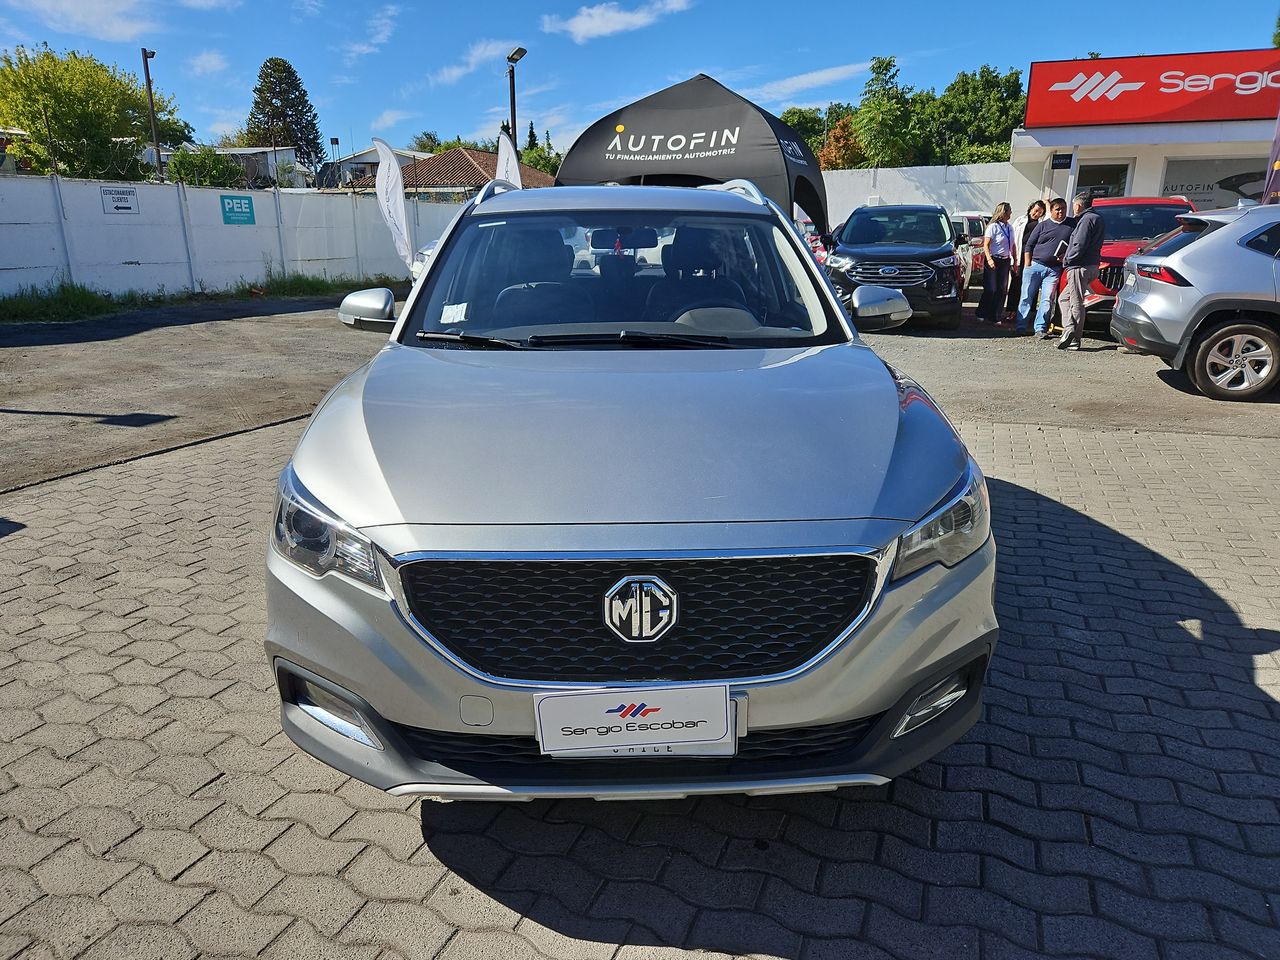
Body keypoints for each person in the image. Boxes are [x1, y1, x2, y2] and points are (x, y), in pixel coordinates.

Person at [1016, 197, 1074, 337]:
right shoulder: (1042, 225)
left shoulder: (1072, 224)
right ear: (1051, 210)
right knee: (1026, 297)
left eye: (1063, 209)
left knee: (1047, 299)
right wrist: (1028, 264)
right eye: (1057, 209)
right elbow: (1029, 245)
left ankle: (1040, 328)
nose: (1061, 212)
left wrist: (1066, 255)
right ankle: (1021, 326)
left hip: (1054, 269)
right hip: (1035, 265)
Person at [1056, 193, 1106, 351]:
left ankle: (1073, 339)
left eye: (1073, 206)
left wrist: (1067, 260)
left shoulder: (1086, 220)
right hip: (1091, 265)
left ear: (1078, 206)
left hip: (1079, 266)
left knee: (1076, 302)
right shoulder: (1097, 218)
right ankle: (1069, 328)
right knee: (1064, 299)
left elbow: (1079, 244)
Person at [1005, 200, 1045, 319]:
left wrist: (1048, 204)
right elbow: (1012, 238)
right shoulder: (1020, 220)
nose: (1037, 214)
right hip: (1019, 254)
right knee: (1016, 283)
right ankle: (1012, 310)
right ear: (1031, 208)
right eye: (1036, 210)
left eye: (1040, 212)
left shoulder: (1041, 223)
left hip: (1034, 255)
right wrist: (1013, 257)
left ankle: (1029, 313)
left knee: (1032, 284)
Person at [976, 202, 1014, 324]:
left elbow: (1012, 245)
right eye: (1009, 211)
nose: (1011, 213)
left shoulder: (1010, 227)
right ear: (1003, 212)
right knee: (991, 288)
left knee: (1001, 289)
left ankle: (995, 315)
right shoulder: (993, 226)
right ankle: (981, 312)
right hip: (993, 259)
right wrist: (989, 259)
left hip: (1005, 260)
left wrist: (1015, 259)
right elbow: (986, 245)